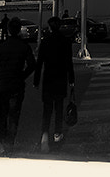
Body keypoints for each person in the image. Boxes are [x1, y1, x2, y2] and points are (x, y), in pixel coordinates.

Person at [0, 18, 36, 153]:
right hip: (17, 85)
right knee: (14, 115)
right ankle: (10, 143)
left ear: (8, 29)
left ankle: (2, 142)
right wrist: (22, 76)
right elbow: (32, 64)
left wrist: (1, 78)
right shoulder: (24, 46)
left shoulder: (2, 47)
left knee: (2, 115)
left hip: (3, 85)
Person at [34, 16, 75, 152]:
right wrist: (71, 80)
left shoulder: (45, 42)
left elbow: (39, 63)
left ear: (50, 27)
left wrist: (36, 80)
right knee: (59, 108)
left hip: (48, 79)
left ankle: (45, 134)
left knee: (47, 110)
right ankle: (57, 134)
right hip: (61, 79)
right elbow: (69, 63)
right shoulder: (65, 42)